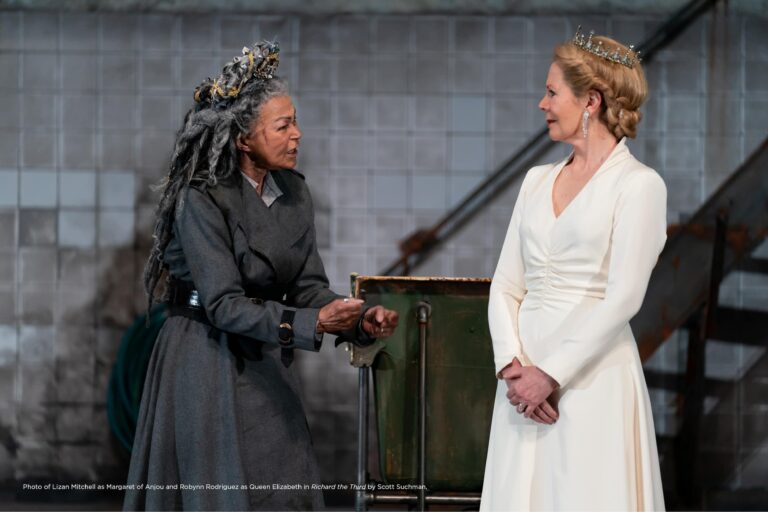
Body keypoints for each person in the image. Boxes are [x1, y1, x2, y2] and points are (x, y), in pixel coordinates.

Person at [124, 41, 399, 511]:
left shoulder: (294, 192)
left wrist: (355, 319)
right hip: (204, 356)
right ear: (243, 138)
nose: (298, 134)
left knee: (283, 482)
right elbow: (223, 303)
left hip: (265, 356)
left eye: (295, 121)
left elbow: (309, 285)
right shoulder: (202, 198)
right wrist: (309, 325)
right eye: (283, 125)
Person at [480, 28, 666, 511]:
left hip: (590, 377)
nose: (542, 104)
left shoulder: (639, 186)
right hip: (523, 387)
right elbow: (505, 284)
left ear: (591, 101)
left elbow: (624, 297)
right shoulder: (535, 180)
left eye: (551, 92)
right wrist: (512, 366)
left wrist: (553, 373)